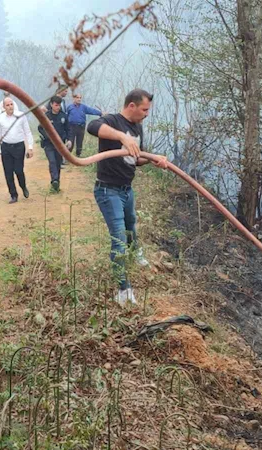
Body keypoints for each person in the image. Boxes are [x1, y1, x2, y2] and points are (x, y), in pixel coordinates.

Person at [87, 89, 168, 305]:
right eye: (144, 109)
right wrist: (121, 136)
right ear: (131, 106)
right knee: (119, 238)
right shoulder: (113, 121)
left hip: (126, 189)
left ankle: (136, 254)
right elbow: (92, 127)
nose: (147, 114)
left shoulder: (137, 126)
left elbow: (136, 158)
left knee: (131, 225)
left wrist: (152, 159)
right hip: (108, 190)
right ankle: (123, 289)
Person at [0, 97, 34, 204]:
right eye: (7, 105)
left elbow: (28, 132)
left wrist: (30, 147)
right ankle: (13, 194)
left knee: (19, 170)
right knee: (8, 172)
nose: (10, 107)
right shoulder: (0, 118)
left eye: (11, 104)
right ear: (4, 107)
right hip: (6, 147)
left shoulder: (21, 116)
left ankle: (23, 186)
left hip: (19, 147)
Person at [38, 96, 72, 193]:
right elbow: (40, 128)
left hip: (60, 144)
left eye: (59, 105)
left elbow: (68, 129)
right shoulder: (46, 116)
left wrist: (69, 140)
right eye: (56, 105)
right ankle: (54, 180)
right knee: (52, 161)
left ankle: (57, 184)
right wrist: (47, 136)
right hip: (48, 144)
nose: (58, 107)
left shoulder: (63, 116)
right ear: (51, 104)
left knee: (57, 163)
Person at [68, 93, 103, 157]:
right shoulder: (70, 107)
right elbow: (66, 116)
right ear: (74, 98)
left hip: (81, 126)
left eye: (80, 98)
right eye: (77, 98)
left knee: (79, 141)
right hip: (71, 127)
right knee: (71, 142)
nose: (79, 99)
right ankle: (67, 156)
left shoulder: (83, 107)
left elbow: (91, 110)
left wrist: (100, 113)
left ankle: (78, 155)